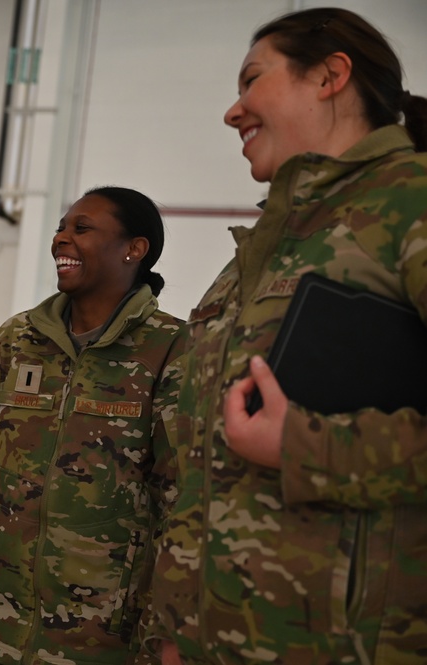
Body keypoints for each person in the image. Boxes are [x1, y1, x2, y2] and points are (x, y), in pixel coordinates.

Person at [147, 7, 427, 665]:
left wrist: (302, 445)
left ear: (330, 75)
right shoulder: (263, 250)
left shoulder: (408, 206)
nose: (232, 111)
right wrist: (173, 629)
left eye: (251, 81)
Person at [0, 186, 186, 665]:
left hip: (104, 644)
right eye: (60, 228)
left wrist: (165, 634)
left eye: (81, 228)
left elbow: (181, 503)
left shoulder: (170, 350)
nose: (61, 239)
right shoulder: (14, 342)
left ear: (135, 249)